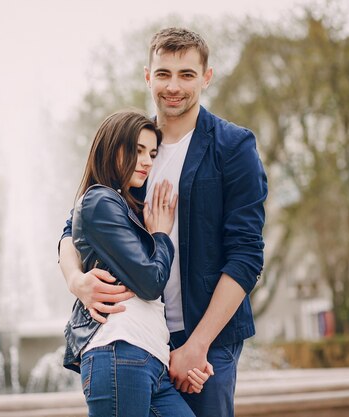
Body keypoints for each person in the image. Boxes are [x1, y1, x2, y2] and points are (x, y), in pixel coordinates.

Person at [59, 28, 267, 417]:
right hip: (133, 337)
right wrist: (76, 280)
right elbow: (74, 226)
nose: (174, 86)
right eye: (163, 74)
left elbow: (246, 256)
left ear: (206, 77)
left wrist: (197, 345)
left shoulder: (233, 147)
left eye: (186, 74)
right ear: (147, 76)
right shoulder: (132, 144)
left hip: (209, 342)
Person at [63, 110, 211, 417]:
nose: (146, 161)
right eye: (137, 150)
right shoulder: (100, 200)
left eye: (152, 153)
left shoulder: (121, 203)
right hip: (120, 350)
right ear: (111, 147)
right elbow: (150, 281)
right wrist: (160, 234)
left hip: (150, 358)